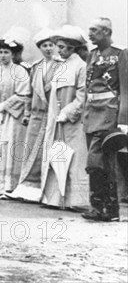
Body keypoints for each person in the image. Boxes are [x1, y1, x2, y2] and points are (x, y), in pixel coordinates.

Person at [81, 18, 128, 221]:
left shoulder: (120, 54)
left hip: (109, 114)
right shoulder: (92, 54)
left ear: (106, 32)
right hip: (92, 114)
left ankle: (106, 208)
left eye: (94, 30)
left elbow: (125, 89)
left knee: (99, 161)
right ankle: (102, 208)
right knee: (98, 163)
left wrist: (123, 119)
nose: (90, 34)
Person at [40, 25, 89, 210]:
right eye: (58, 46)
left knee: (75, 159)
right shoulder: (61, 66)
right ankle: (53, 197)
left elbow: (83, 95)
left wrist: (67, 113)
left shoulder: (81, 67)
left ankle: (76, 200)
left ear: (72, 48)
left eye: (62, 47)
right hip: (56, 120)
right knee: (56, 156)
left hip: (73, 122)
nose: (58, 50)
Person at [10, 29, 62, 201]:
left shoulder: (61, 65)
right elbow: (30, 93)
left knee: (46, 152)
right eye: (44, 46)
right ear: (40, 48)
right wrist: (26, 113)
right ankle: (27, 189)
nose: (48, 49)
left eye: (51, 45)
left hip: (51, 115)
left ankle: (45, 190)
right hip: (36, 115)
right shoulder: (36, 67)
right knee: (31, 150)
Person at [0, 37, 31, 198]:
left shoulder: (19, 71)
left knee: (11, 147)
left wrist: (3, 106)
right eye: (0, 52)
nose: (3, 56)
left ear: (13, 54)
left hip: (13, 117)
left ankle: (10, 186)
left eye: (6, 52)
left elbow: (24, 94)